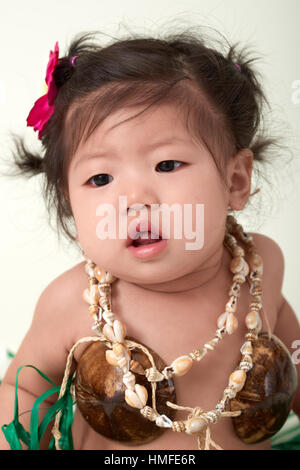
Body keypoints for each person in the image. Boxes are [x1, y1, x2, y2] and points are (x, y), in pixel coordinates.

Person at [0, 27, 299, 451]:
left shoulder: (260, 267)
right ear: (71, 209)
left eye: (167, 164)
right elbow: (24, 392)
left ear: (235, 180)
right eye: (100, 178)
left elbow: (293, 354)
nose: (134, 200)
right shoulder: (73, 302)